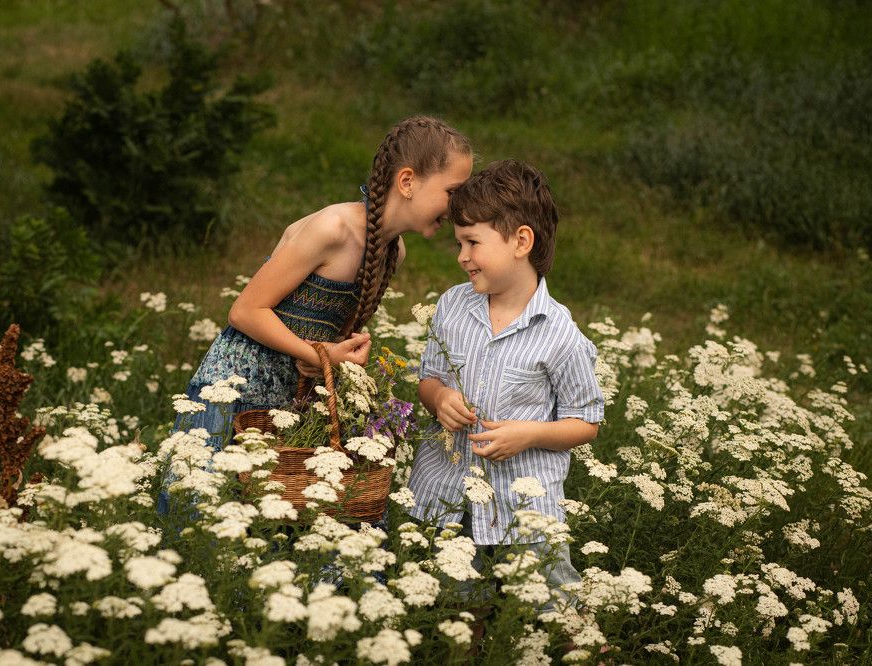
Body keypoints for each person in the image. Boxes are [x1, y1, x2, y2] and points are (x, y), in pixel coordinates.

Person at [176, 116, 473, 451]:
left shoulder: (393, 252)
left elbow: (330, 337)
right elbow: (245, 311)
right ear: (407, 181)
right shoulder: (334, 228)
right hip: (233, 392)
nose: (459, 206)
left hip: (294, 403)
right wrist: (314, 354)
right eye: (453, 192)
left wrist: (339, 353)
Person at [407, 159, 604, 609]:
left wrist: (528, 434)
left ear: (521, 241)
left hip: (524, 501)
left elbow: (586, 422)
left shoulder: (560, 335)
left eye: (472, 242)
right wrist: (440, 398)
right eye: (459, 242)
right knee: (456, 603)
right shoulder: (453, 307)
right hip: (448, 491)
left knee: (554, 601)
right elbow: (427, 379)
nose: (461, 256)